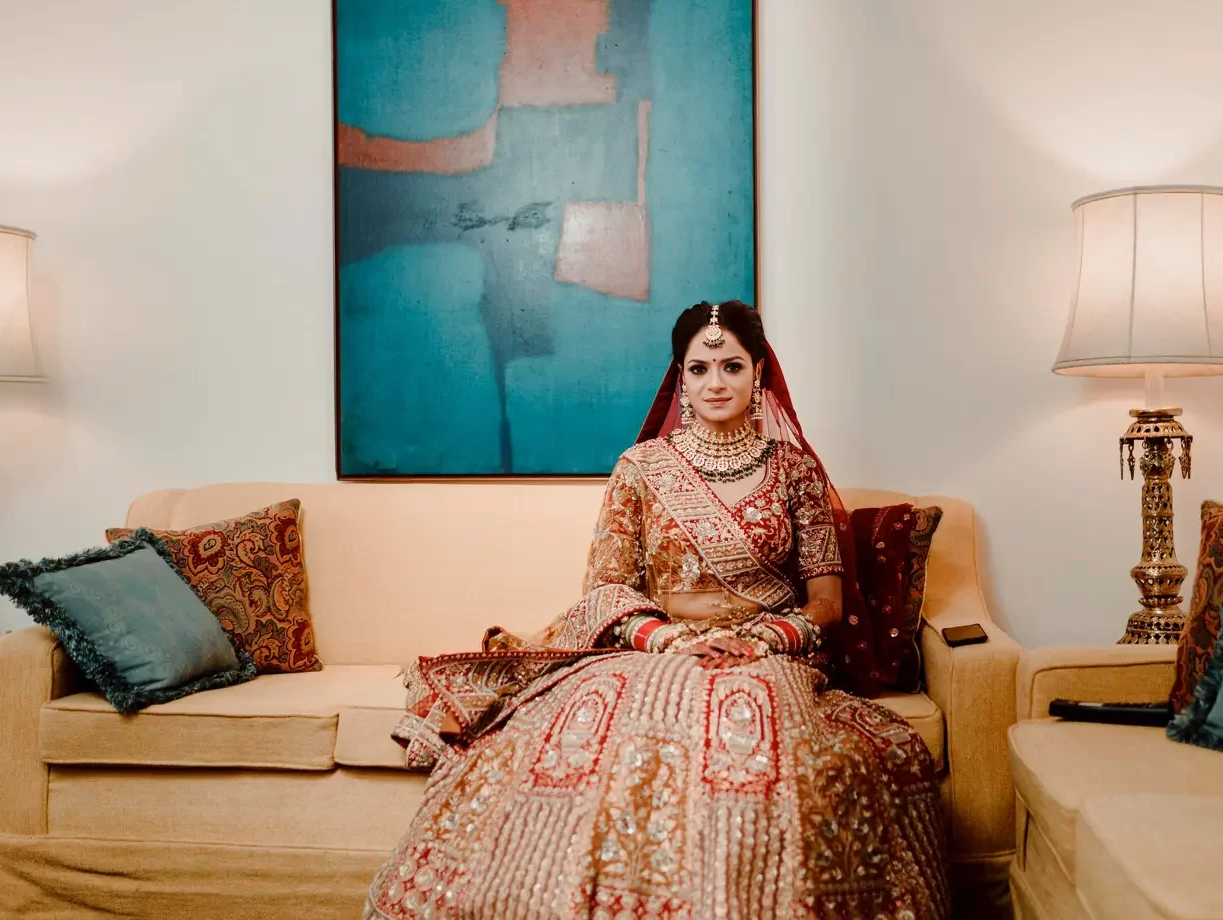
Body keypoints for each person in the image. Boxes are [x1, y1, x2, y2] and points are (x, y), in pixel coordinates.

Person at [364, 301, 949, 919]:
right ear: (680, 377)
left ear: (759, 375)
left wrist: (761, 641)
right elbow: (607, 591)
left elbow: (826, 603)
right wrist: (670, 642)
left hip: (768, 651)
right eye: (699, 369)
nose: (715, 382)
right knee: (602, 734)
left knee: (749, 730)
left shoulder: (796, 471)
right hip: (653, 649)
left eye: (731, 366)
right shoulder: (641, 468)